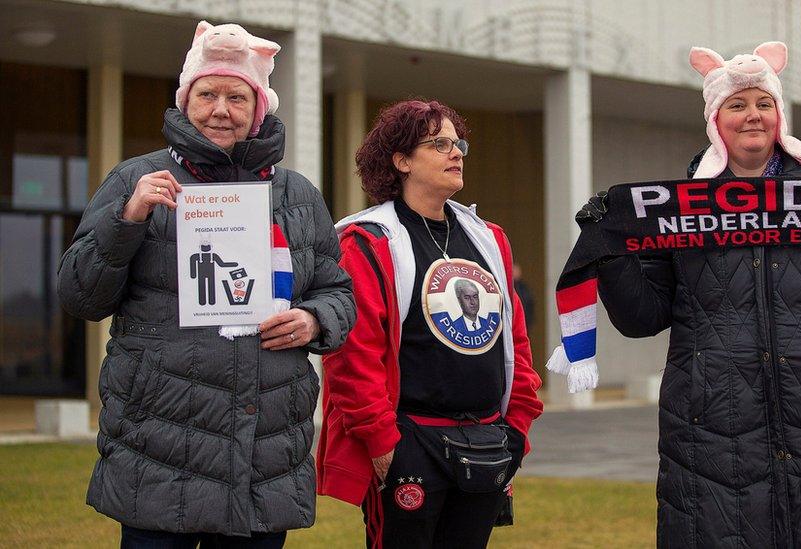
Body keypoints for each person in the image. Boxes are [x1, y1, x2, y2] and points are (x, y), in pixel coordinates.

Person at [578, 42, 801, 548]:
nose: (752, 116)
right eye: (737, 105)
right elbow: (640, 318)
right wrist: (609, 248)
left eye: (764, 103)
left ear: (780, 115)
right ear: (714, 118)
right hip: (710, 439)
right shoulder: (675, 210)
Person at [57, 20, 355, 548]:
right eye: (208, 93)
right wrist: (127, 218)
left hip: (264, 452)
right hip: (159, 445)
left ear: (259, 107)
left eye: (238, 96)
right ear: (185, 100)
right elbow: (81, 295)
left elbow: (337, 292)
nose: (222, 108)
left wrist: (313, 320)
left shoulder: (296, 194)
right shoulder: (136, 180)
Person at [316, 99, 543, 548]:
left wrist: (517, 427)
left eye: (457, 143)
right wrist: (384, 446)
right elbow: (352, 355)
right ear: (401, 161)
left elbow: (513, 341)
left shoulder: (489, 238)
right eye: (438, 144)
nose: (456, 152)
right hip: (409, 443)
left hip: (489, 440)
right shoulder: (366, 241)